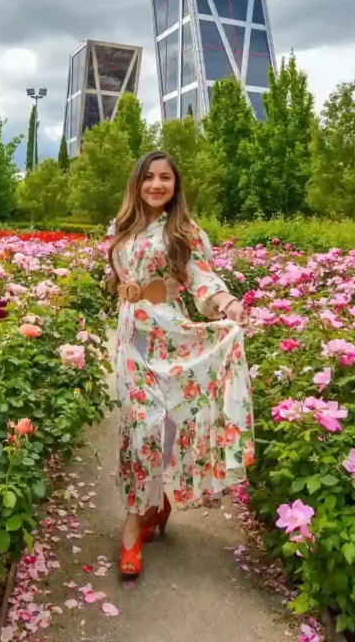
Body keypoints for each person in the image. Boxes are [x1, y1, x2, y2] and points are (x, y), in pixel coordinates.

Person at [106, 150, 254, 578]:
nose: (156, 184)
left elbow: (204, 279)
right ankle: (141, 514)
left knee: (164, 423)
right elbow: (119, 276)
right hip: (130, 339)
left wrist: (226, 303)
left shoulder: (184, 230)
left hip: (168, 336)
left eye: (165, 178)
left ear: (176, 185)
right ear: (137, 183)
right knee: (140, 423)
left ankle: (150, 506)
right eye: (149, 177)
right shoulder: (122, 227)